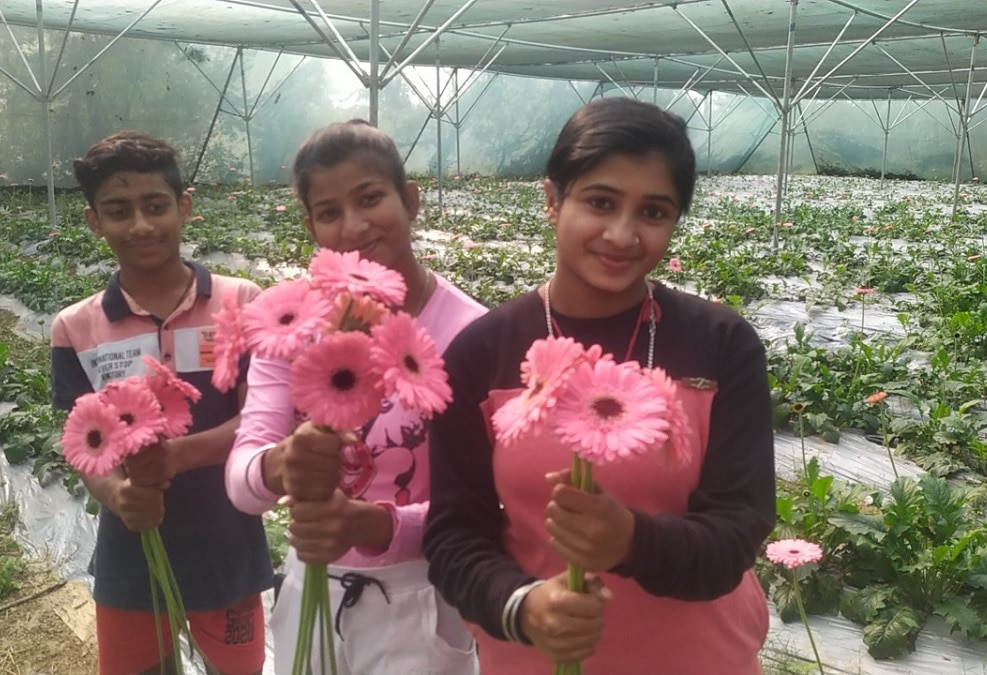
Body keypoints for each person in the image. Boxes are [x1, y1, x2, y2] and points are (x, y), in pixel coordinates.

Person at [423, 97, 776, 674]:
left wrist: (632, 540)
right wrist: (524, 606)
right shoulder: (482, 353)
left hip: (698, 657)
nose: (621, 234)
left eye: (653, 212)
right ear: (552, 199)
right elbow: (454, 534)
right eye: (600, 201)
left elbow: (740, 529)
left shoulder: (721, 343)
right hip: (535, 657)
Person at [225, 120, 485, 675]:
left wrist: (373, 526)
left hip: (419, 599)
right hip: (309, 584)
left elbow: (478, 509)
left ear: (410, 200)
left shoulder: (470, 333)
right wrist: (277, 466)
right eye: (328, 211)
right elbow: (242, 480)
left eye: (370, 199)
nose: (353, 226)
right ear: (311, 225)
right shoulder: (290, 320)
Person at [51, 131, 274, 675]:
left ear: (185, 207)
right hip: (132, 554)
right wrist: (117, 493)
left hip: (226, 544)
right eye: (118, 211)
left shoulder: (242, 303)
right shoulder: (75, 327)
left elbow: (264, 418)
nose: (141, 225)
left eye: (155, 206)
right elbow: (82, 442)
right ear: (94, 221)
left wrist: (177, 456)